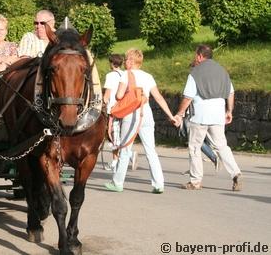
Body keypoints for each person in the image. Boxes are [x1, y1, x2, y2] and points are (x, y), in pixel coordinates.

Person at [104, 48, 177, 194]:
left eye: (126, 59)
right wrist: (171, 115)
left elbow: (118, 96)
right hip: (147, 113)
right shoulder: (148, 76)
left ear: (131, 61)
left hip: (131, 115)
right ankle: (158, 184)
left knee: (125, 149)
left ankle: (118, 182)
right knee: (151, 150)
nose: (125, 62)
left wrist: (123, 95)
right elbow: (158, 97)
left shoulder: (126, 75)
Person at [174, 44, 241, 191]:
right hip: (218, 113)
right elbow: (230, 93)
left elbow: (188, 97)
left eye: (195, 55)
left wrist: (179, 114)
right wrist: (229, 110)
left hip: (200, 115)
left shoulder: (195, 73)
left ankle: (195, 181)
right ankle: (235, 173)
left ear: (199, 56)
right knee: (222, 145)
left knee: (195, 147)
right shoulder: (222, 71)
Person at [102, 54, 138, 172]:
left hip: (113, 109)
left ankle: (118, 160)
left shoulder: (110, 75)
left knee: (113, 136)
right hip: (124, 109)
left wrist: (103, 103)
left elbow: (107, 95)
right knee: (119, 135)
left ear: (111, 63)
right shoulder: (124, 74)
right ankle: (121, 158)